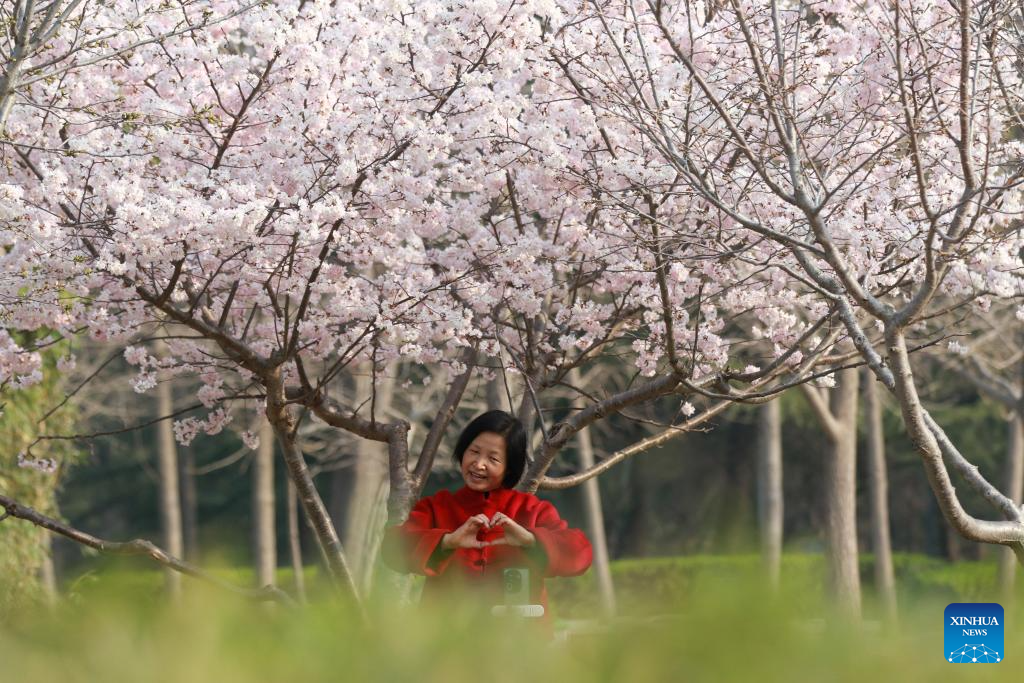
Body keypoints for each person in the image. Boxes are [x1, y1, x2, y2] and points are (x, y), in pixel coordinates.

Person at [381, 410, 593, 621]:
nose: (479, 464)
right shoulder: (437, 506)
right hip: (446, 641)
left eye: (493, 458)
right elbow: (392, 550)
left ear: (509, 468)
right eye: (474, 451)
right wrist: (446, 542)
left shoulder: (532, 510)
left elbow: (581, 555)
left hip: (520, 641)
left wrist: (530, 540)